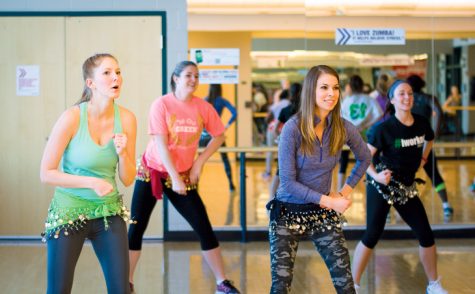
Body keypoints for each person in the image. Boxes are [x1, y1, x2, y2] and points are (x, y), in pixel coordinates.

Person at [127, 61, 240, 294]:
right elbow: (160, 144)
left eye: (197, 76)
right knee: (137, 227)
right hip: (152, 171)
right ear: (175, 78)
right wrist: (175, 177)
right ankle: (125, 282)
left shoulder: (203, 107)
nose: (193, 80)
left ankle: (222, 282)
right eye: (188, 75)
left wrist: (199, 161)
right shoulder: (162, 104)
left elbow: (219, 135)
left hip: (183, 174)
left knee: (202, 225)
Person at [267, 65, 371, 294]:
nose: (331, 93)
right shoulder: (293, 128)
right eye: (324, 87)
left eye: (335, 87)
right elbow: (287, 182)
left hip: (322, 212)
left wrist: (345, 192)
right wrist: (331, 201)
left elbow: (365, 157)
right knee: (280, 286)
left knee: (345, 284)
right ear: (311, 91)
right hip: (287, 212)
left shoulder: (342, 127)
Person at [40, 53, 137, 293]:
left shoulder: (126, 118)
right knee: (58, 289)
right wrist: (91, 182)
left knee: (121, 289)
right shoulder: (72, 117)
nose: (116, 78)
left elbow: (127, 178)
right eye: (107, 73)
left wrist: (123, 154)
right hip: (68, 212)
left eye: (118, 72)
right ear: (90, 83)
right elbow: (46, 173)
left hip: (108, 212)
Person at [352, 80, 448, 294]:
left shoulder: (422, 124)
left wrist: (423, 158)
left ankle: (433, 284)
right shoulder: (383, 129)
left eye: (410, 94)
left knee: (426, 235)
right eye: (402, 94)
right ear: (393, 100)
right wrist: (376, 176)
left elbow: (429, 139)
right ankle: (353, 286)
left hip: (406, 187)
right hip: (381, 187)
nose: (407, 97)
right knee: (372, 235)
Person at [407, 75, 454, 218]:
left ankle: (390, 210)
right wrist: (435, 133)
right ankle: (446, 205)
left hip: (405, 143)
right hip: (423, 143)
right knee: (434, 174)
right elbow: (439, 112)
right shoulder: (428, 98)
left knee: (401, 176)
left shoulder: (405, 99)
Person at [338, 75, 383, 189]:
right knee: (368, 158)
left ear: (350, 86)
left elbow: (340, 117)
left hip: (348, 134)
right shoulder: (369, 99)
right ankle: (373, 183)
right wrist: (366, 125)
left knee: (344, 159)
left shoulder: (346, 100)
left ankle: (339, 187)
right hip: (365, 134)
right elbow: (379, 114)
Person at [199, 84, 237, 192]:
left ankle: (195, 185)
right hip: (217, 134)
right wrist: (226, 126)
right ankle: (231, 184)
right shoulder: (222, 100)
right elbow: (235, 113)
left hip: (204, 135)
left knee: (200, 160)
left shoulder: (204, 100)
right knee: (225, 159)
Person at [268, 82, 302, 200]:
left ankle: (271, 200)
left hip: (287, 146)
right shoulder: (306, 110)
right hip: (302, 147)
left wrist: (281, 138)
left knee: (279, 172)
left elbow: (275, 129)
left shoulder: (286, 109)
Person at [262, 89, 290, 180]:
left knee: (270, 151)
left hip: (272, 128)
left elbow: (267, 119)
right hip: (284, 129)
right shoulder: (289, 104)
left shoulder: (275, 105)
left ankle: (268, 172)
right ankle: (282, 172)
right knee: (283, 152)